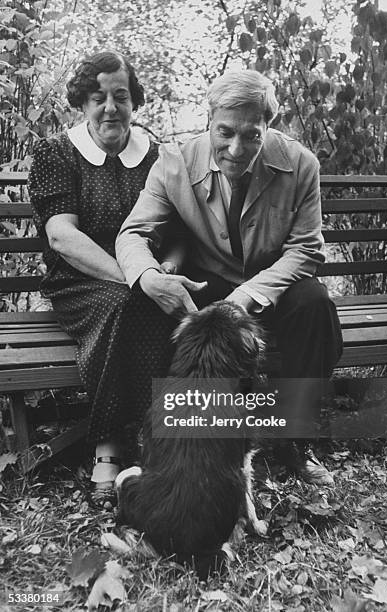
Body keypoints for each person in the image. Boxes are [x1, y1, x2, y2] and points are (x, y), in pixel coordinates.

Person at [116, 69, 343, 485]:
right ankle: (168, 439)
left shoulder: (301, 165)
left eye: (251, 135)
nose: (236, 149)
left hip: (276, 284)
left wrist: (249, 295)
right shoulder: (174, 162)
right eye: (225, 132)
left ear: (267, 126)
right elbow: (134, 233)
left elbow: (307, 249)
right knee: (144, 303)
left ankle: (296, 438)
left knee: (316, 306)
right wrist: (148, 275)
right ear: (209, 119)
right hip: (212, 284)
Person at [28, 51, 192, 506]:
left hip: (149, 278)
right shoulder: (57, 152)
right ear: (82, 102)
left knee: (164, 305)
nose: (110, 107)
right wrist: (136, 277)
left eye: (121, 95)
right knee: (126, 303)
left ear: (134, 101)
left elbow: (177, 233)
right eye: (97, 96)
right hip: (80, 281)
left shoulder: (157, 156)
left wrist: (169, 268)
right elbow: (62, 237)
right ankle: (110, 444)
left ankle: (161, 441)